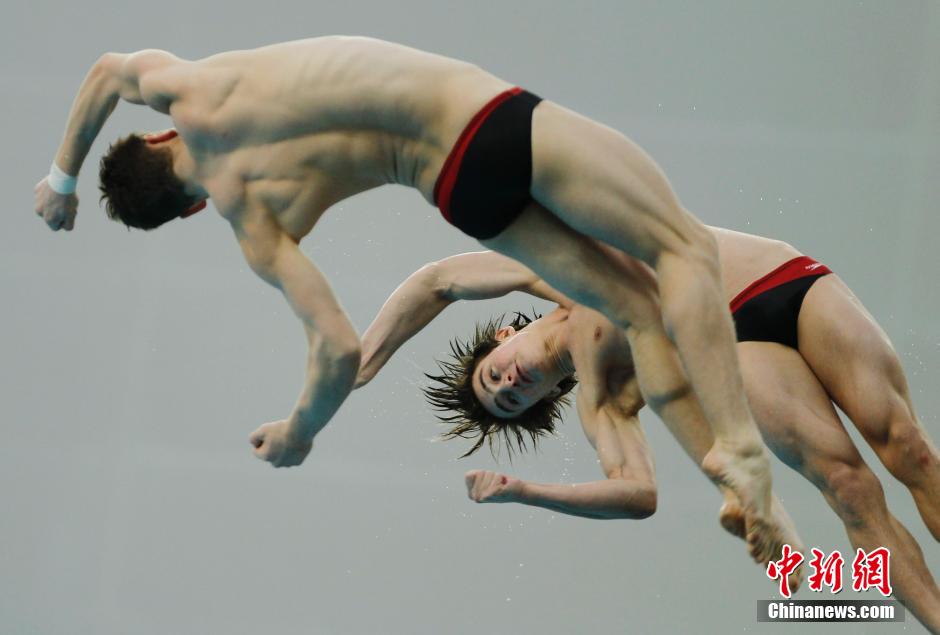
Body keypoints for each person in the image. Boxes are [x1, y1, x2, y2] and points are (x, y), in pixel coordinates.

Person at [33, 36, 779, 560]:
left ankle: (743, 483)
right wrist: (60, 180)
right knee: (684, 250)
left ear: (190, 209)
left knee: (638, 310)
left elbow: (338, 349)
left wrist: (300, 430)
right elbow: (107, 72)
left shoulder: (253, 226)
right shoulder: (188, 88)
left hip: (456, 191)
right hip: (481, 117)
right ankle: (739, 448)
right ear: (157, 138)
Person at [356, 227, 940, 630]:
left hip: (775, 278)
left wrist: (361, 362)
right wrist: (527, 491)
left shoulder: (551, 268)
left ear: (503, 337)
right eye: (511, 400)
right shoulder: (605, 399)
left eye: (494, 375)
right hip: (739, 346)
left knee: (907, 449)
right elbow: (638, 495)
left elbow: (437, 280)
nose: (509, 383)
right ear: (545, 398)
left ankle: (758, 508)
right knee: (848, 488)